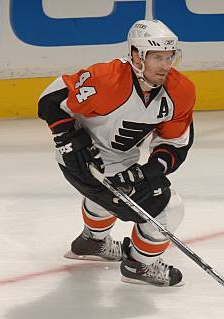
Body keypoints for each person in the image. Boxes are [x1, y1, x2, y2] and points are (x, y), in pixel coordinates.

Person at [37, 19, 196, 287]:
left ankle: (92, 242)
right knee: (170, 209)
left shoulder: (181, 91)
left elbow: (175, 143)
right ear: (136, 55)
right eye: (157, 57)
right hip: (82, 159)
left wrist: (147, 171)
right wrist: (68, 138)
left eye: (169, 57)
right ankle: (139, 266)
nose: (165, 65)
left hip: (121, 162)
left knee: (114, 193)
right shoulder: (105, 79)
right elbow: (50, 101)